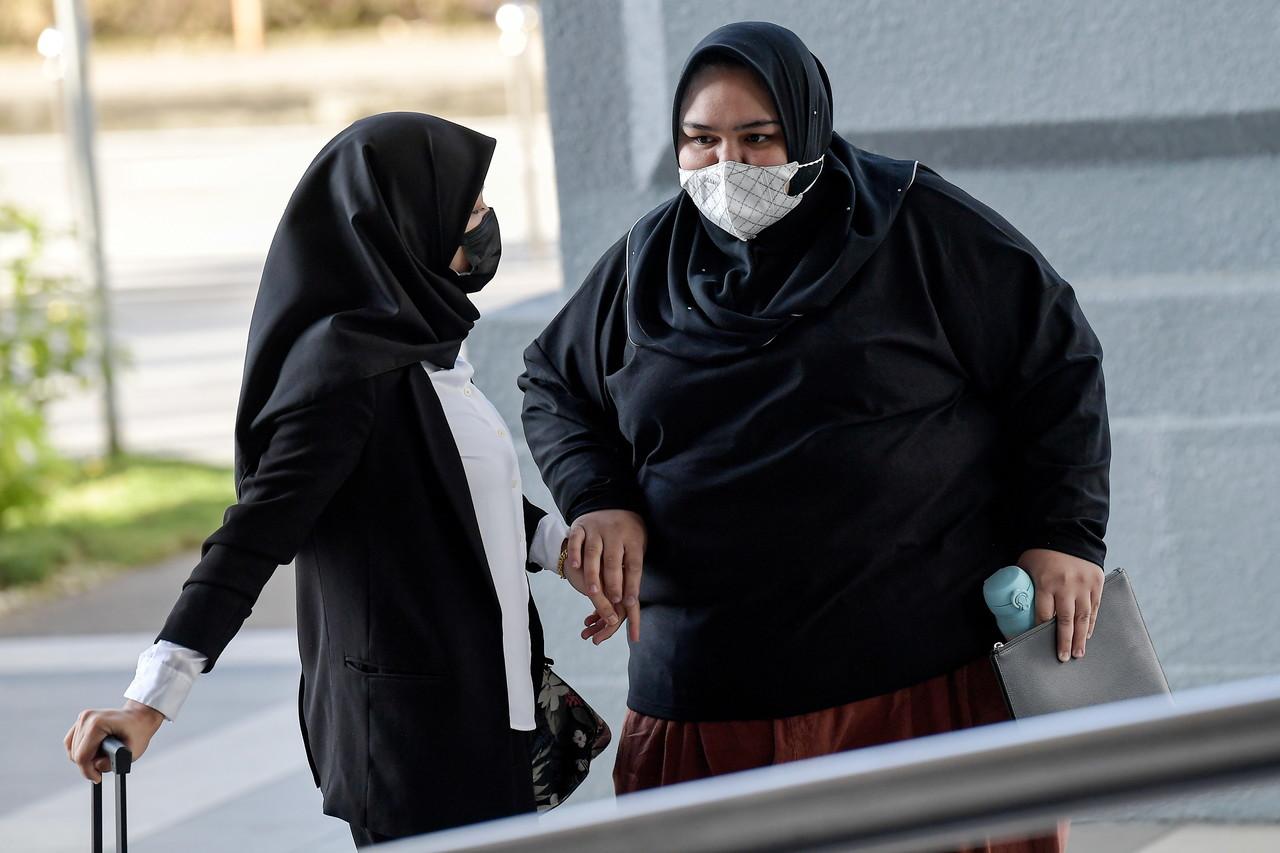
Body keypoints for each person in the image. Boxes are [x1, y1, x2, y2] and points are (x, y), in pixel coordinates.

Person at [520, 23, 1109, 852]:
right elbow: (554, 383)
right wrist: (599, 498)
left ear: (808, 126)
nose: (729, 167)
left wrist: (1064, 534)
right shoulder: (649, 261)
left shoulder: (918, 226)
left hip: (919, 688)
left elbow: (1057, 362)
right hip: (706, 699)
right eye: (701, 140)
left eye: (758, 138)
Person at [63, 112, 617, 848]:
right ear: (406, 224)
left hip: (489, 715)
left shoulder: (422, 349)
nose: (484, 226)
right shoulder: (345, 381)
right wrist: (147, 701)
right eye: (469, 210)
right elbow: (250, 540)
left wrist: (563, 548)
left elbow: (453, 494)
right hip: (414, 745)